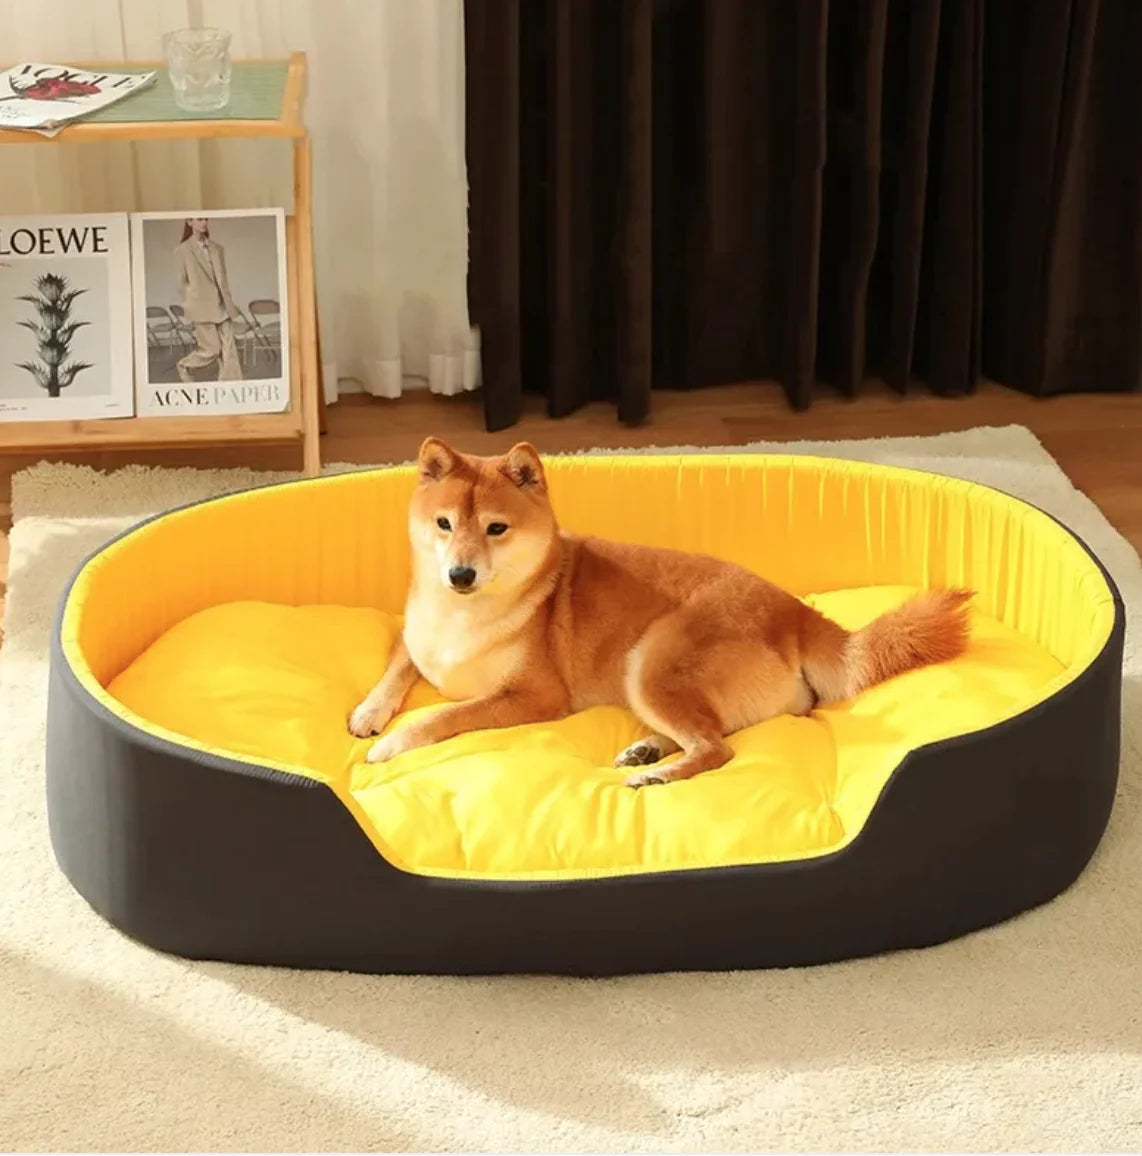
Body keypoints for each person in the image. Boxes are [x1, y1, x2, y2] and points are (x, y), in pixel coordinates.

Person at [172, 217, 243, 382]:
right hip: (201, 307)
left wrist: (228, 301)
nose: (204, 222)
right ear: (189, 222)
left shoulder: (217, 248)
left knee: (229, 348)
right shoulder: (182, 251)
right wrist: (191, 305)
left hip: (222, 305)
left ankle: (231, 385)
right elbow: (182, 283)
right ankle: (185, 365)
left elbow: (222, 279)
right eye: (199, 219)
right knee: (211, 350)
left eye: (205, 219)